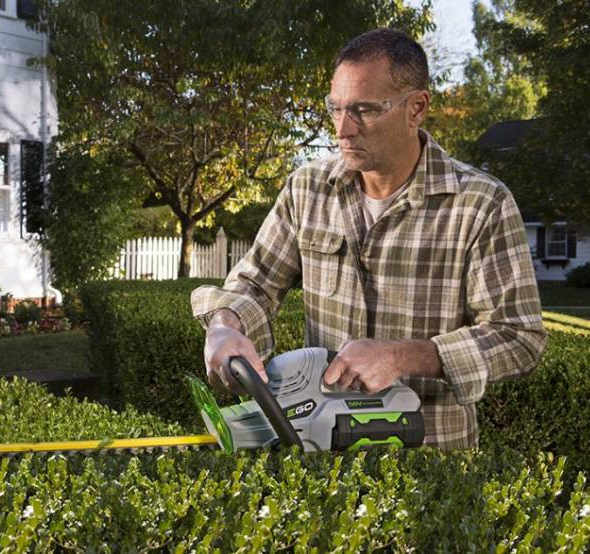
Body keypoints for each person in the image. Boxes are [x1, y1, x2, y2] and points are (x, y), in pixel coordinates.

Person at [190, 28, 546, 450]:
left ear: (416, 108)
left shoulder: (481, 204)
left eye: (363, 110)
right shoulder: (308, 189)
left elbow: (518, 337)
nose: (343, 128)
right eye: (336, 108)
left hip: (432, 461)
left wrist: (403, 356)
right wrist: (225, 325)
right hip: (322, 453)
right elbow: (256, 284)